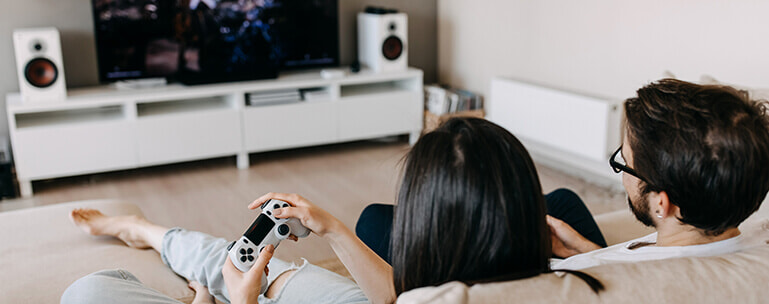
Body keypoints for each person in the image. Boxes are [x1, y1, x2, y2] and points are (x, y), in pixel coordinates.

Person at [61, 117, 603, 304]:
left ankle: (155, 240)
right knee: (253, 266)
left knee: (88, 291)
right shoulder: (587, 280)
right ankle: (151, 234)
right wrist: (334, 228)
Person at [357, 78, 769, 273]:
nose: (621, 171)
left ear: (663, 203)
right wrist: (587, 252)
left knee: (374, 219)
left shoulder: (574, 289)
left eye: (623, 164)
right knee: (565, 201)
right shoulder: (748, 240)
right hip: (585, 257)